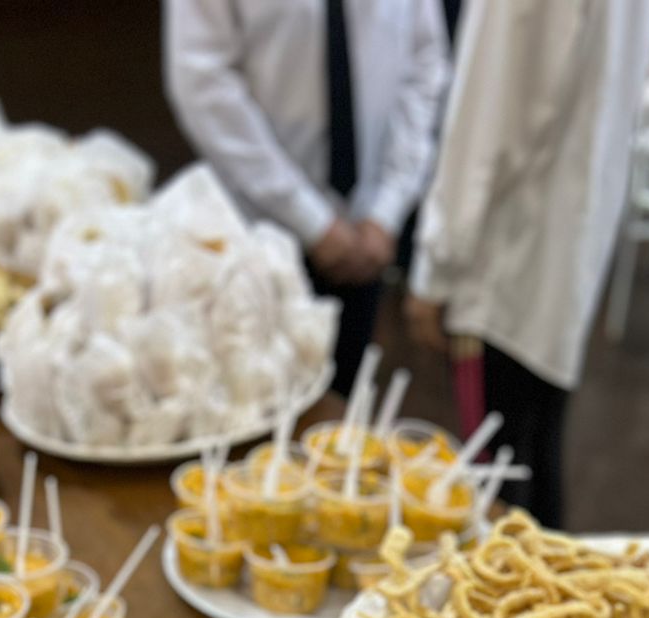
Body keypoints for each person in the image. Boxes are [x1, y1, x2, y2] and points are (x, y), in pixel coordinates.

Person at [405, 0, 649, 528]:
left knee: (496, 492)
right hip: (566, 240)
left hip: (506, 259)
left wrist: (438, 262)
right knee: (533, 462)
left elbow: (490, 114)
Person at [164, 0, 450, 393]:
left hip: (367, 231)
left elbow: (427, 60)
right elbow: (203, 80)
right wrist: (309, 219)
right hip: (257, 230)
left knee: (343, 396)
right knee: (249, 394)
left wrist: (388, 207)